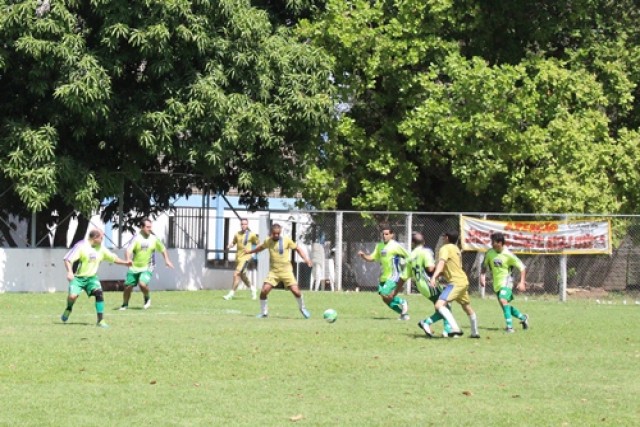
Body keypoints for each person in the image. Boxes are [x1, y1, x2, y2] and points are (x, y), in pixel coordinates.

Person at [61, 229, 131, 328]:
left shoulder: (101, 248)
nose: (103, 240)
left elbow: (113, 258)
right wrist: (69, 272)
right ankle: (68, 308)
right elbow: (67, 259)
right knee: (72, 297)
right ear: (95, 238)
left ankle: (100, 320)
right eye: (101, 238)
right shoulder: (81, 246)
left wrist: (125, 263)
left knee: (99, 293)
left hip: (92, 278)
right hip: (78, 278)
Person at [245, 223, 313, 318]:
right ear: (271, 233)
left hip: (286, 271)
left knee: (296, 291)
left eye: (278, 233)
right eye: (274, 233)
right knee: (264, 291)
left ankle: (303, 308)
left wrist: (306, 259)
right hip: (274, 272)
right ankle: (264, 313)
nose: (276, 235)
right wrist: (250, 252)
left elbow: (298, 248)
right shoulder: (268, 241)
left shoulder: (286, 240)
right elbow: (260, 248)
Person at [426, 230, 480, 338]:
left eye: (443, 237)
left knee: (439, 305)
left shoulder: (445, 248)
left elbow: (441, 263)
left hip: (455, 282)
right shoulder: (456, 249)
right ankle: (475, 333)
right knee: (466, 307)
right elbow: (449, 267)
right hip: (463, 281)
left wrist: (433, 277)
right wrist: (440, 274)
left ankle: (455, 328)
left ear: (446, 238)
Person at [402, 232, 452, 337]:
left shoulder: (411, 255)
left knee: (442, 305)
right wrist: (441, 269)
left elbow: (405, 276)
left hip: (421, 286)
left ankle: (447, 330)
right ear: (424, 241)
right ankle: (429, 323)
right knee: (445, 305)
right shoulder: (425, 252)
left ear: (412, 243)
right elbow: (430, 268)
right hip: (430, 284)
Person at [119, 218, 174, 310]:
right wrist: (128, 259)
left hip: (148, 266)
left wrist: (167, 260)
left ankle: (147, 298)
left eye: (150, 227)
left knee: (142, 284)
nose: (150, 229)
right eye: (147, 227)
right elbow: (128, 250)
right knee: (128, 286)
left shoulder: (154, 239)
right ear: (141, 227)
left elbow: (163, 249)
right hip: (134, 267)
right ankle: (125, 304)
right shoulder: (136, 238)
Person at [358, 225, 410, 320]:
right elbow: (372, 258)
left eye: (387, 234)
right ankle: (403, 314)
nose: (384, 236)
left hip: (394, 275)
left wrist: (405, 265)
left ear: (392, 235)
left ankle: (403, 302)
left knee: (385, 293)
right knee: (385, 298)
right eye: (383, 234)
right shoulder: (380, 246)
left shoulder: (396, 246)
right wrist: (363, 256)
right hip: (384, 276)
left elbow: (408, 256)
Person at [480, 232, 529, 333]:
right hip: (496, 284)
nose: (491, 244)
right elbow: (484, 266)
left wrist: (522, 282)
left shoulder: (508, 254)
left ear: (500, 243)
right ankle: (523, 317)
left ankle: (510, 328)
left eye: (493, 242)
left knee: (503, 300)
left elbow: (522, 267)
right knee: (504, 306)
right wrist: (482, 276)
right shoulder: (490, 253)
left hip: (507, 282)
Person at [224, 218, 259, 300]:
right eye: (242, 224)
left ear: (247, 225)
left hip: (246, 258)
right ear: (240, 225)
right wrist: (230, 245)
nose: (243, 225)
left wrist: (252, 251)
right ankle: (253, 289)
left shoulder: (251, 234)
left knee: (236, 274)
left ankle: (231, 294)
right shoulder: (237, 234)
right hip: (238, 258)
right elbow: (234, 242)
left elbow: (258, 244)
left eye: (245, 224)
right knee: (243, 276)